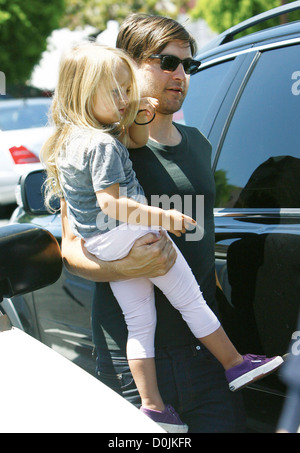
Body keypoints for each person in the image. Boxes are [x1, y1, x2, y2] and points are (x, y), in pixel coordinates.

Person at [41, 41, 282, 433]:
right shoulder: (105, 144)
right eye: (167, 61)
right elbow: (74, 242)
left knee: (147, 320)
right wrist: (141, 243)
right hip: (127, 349)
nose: (180, 73)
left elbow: (207, 237)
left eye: (189, 63)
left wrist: (137, 112)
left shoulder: (186, 143)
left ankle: (157, 405)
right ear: (133, 66)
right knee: (187, 299)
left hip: (196, 359)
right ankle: (235, 363)